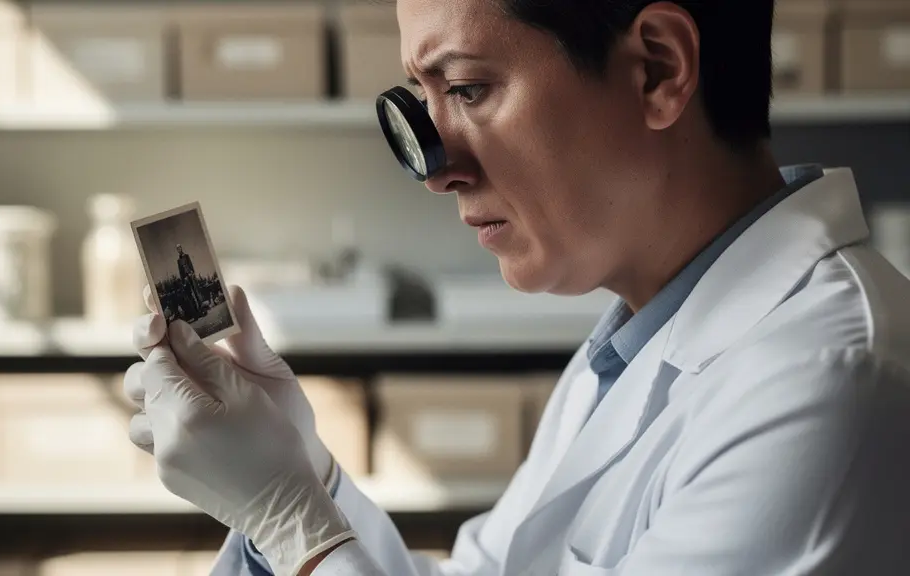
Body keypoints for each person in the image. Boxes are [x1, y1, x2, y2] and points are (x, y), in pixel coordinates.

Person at [122, 0, 910, 574]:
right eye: (423, 100)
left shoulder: (828, 385)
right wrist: (301, 474)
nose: (438, 172)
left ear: (658, 70)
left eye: (467, 90)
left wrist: (293, 524)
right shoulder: (633, 348)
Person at [176, 243, 203, 316]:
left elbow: (190, 264)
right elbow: (180, 271)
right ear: (177, 250)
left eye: (179, 248)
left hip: (191, 276)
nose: (179, 249)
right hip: (186, 279)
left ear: (181, 248)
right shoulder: (178, 261)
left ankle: (201, 308)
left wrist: (192, 272)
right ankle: (196, 312)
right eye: (177, 249)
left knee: (196, 292)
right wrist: (183, 280)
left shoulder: (186, 256)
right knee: (190, 294)